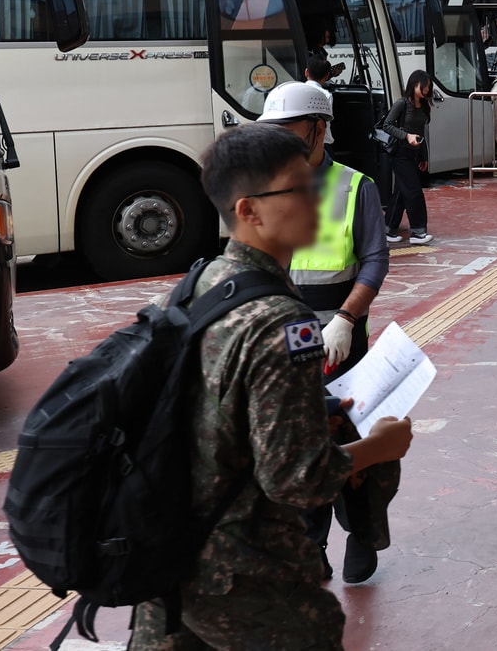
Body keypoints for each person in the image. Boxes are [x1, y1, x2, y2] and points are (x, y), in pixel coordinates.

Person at [128, 122, 412, 651]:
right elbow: (297, 481)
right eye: (298, 190)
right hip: (243, 576)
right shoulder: (281, 321)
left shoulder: (197, 286)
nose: (316, 200)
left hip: (167, 559)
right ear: (248, 211)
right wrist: (379, 447)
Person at [257, 82, 394, 585]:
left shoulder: (356, 187)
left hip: (341, 338)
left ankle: (362, 532)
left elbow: (375, 260)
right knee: (298, 442)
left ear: (318, 128)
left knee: (351, 440)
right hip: (288, 338)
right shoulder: (268, 186)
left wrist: (347, 318)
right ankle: (310, 541)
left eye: (288, 129)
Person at [382, 70, 432, 244]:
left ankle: (387, 229)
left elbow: (422, 133)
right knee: (413, 191)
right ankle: (418, 232)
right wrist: (406, 136)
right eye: (424, 86)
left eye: (428, 87)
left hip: (415, 155)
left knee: (401, 193)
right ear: (414, 84)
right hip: (400, 154)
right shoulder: (402, 103)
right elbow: (387, 125)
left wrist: (424, 157)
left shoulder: (424, 106)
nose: (426, 90)